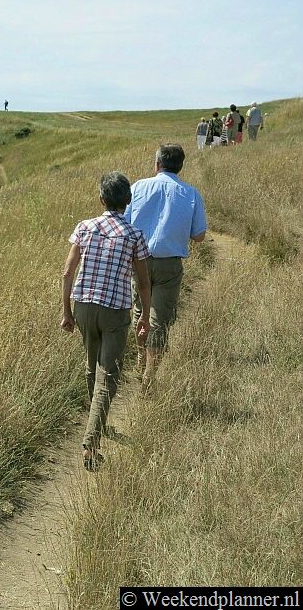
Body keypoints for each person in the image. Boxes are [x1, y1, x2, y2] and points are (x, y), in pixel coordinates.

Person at [61, 172, 151, 471]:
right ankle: (91, 441)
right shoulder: (135, 235)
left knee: (92, 365)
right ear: (129, 200)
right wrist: (145, 315)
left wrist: (66, 312)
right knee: (108, 373)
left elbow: (68, 272)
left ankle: (94, 419)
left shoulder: (85, 227)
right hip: (115, 310)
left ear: (101, 200)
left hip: (84, 305)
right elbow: (143, 282)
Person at [124, 144, 207, 386]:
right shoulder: (191, 194)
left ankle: (141, 358)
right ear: (180, 166)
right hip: (169, 264)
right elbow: (199, 235)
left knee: (140, 311)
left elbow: (124, 223)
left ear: (157, 164)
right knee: (160, 320)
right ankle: (150, 375)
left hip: (138, 260)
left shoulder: (138, 187)